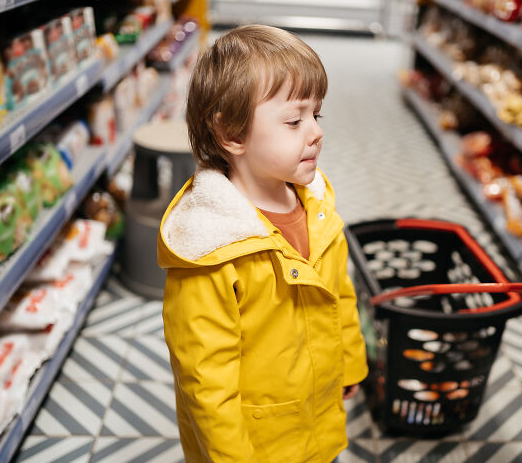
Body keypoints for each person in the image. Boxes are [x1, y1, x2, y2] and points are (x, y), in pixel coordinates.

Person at [157, 24, 368, 462]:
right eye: (294, 120)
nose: (315, 132)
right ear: (231, 132)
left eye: (317, 115)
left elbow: (341, 294)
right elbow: (205, 381)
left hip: (315, 417)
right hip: (256, 443)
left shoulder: (319, 208)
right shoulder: (210, 250)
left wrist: (349, 361)